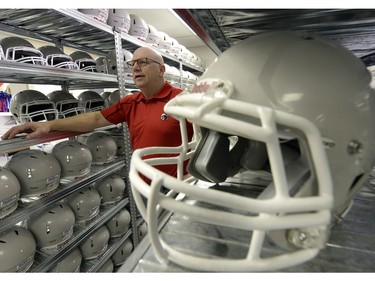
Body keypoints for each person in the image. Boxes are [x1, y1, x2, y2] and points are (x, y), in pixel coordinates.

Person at [1, 46, 194, 179]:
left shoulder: (183, 100)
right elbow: (94, 118)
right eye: (133, 63)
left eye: (143, 62)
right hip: (142, 183)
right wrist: (49, 125)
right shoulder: (131, 102)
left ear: (161, 69)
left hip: (176, 184)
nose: (135, 67)